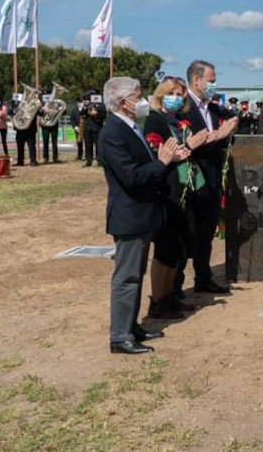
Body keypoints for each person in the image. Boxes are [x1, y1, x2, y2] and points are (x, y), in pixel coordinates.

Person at [98, 76, 189, 354]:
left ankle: (132, 326)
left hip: (142, 213)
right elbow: (132, 176)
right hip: (129, 214)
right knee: (126, 277)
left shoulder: (130, 127)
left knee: (136, 274)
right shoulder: (112, 132)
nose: (141, 101)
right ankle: (120, 336)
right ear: (123, 102)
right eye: (137, 96)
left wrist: (165, 160)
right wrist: (162, 162)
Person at [143, 77, 210, 319]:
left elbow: (183, 149)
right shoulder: (155, 120)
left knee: (176, 250)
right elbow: (159, 154)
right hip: (168, 191)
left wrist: (190, 146)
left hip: (184, 190)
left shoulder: (175, 121)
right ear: (161, 94)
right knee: (164, 250)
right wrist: (186, 148)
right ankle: (158, 300)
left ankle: (169, 295)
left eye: (181, 94)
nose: (177, 98)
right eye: (173, 93)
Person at [181, 60, 239, 296]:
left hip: (213, 178)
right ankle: (174, 287)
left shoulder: (213, 108)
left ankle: (203, 278)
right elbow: (189, 144)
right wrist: (218, 135)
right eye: (211, 81)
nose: (214, 85)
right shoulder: (182, 108)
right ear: (197, 80)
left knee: (207, 231)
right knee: (188, 233)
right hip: (192, 179)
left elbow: (234, 117)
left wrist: (231, 124)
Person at [13, 97, 39, 167]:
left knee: (31, 146)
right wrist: (16, 110)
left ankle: (33, 161)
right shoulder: (18, 105)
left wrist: (39, 108)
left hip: (30, 129)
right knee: (20, 146)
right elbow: (11, 112)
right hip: (20, 129)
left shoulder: (34, 106)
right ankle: (20, 161)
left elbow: (40, 113)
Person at [83, 94, 106, 167]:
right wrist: (86, 108)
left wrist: (96, 114)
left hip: (97, 127)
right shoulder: (86, 106)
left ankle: (99, 160)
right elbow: (81, 114)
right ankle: (89, 160)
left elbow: (103, 115)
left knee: (98, 145)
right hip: (88, 128)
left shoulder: (101, 105)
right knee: (88, 145)